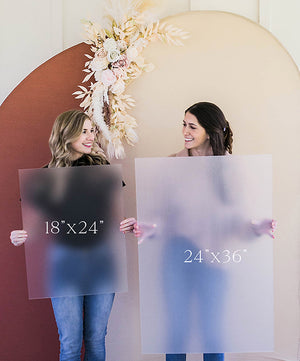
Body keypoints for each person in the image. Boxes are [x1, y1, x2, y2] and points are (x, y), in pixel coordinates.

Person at [134, 101, 276, 361]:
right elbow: (161, 215)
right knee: (176, 329)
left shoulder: (231, 168)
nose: (185, 131)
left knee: (213, 330)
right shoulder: (171, 165)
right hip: (177, 254)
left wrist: (258, 226)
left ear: (209, 132)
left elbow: (238, 219)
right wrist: (148, 228)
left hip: (216, 255)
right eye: (184, 125)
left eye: (192, 126)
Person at [10, 109, 136, 361]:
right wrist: (20, 236)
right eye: (84, 131)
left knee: (96, 338)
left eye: (92, 131)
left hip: (101, 262)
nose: (91, 137)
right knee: (69, 343)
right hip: (64, 264)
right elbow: (35, 228)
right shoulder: (45, 178)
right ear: (66, 134)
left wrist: (128, 225)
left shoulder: (103, 171)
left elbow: (115, 219)